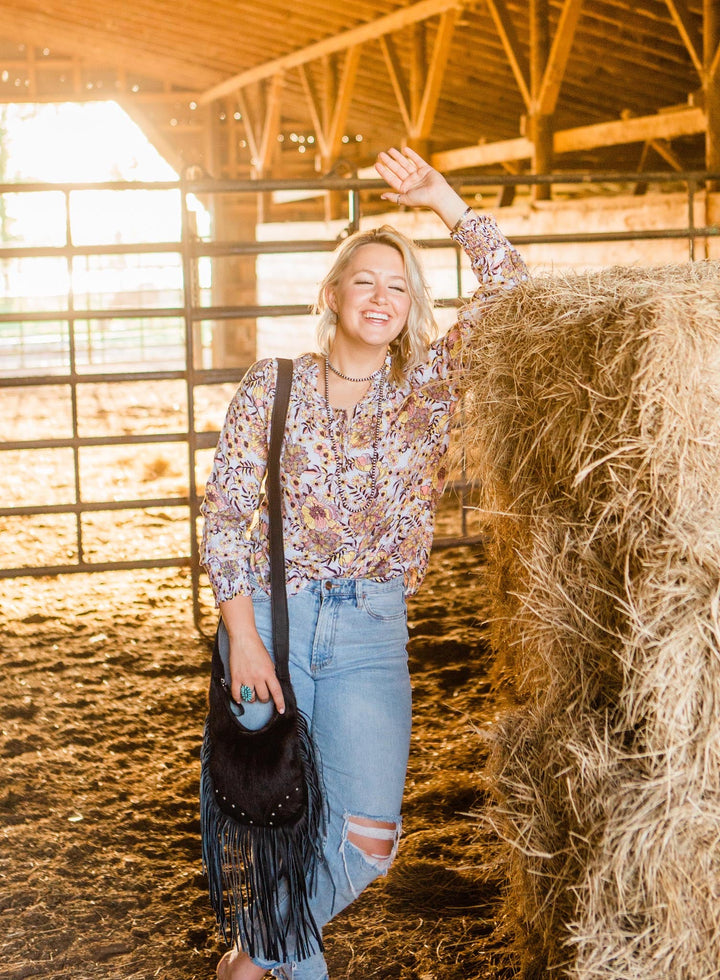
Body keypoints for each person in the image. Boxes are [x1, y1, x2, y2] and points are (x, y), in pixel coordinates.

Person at [200, 146, 528, 980]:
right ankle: (272, 961)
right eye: (365, 281)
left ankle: (253, 960)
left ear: (411, 306)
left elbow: (518, 297)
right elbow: (228, 520)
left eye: (398, 286)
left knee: (370, 838)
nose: (381, 297)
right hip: (274, 621)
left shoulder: (430, 389)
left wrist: (445, 203)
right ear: (332, 295)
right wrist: (241, 637)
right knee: (280, 828)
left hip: (373, 629)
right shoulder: (270, 388)